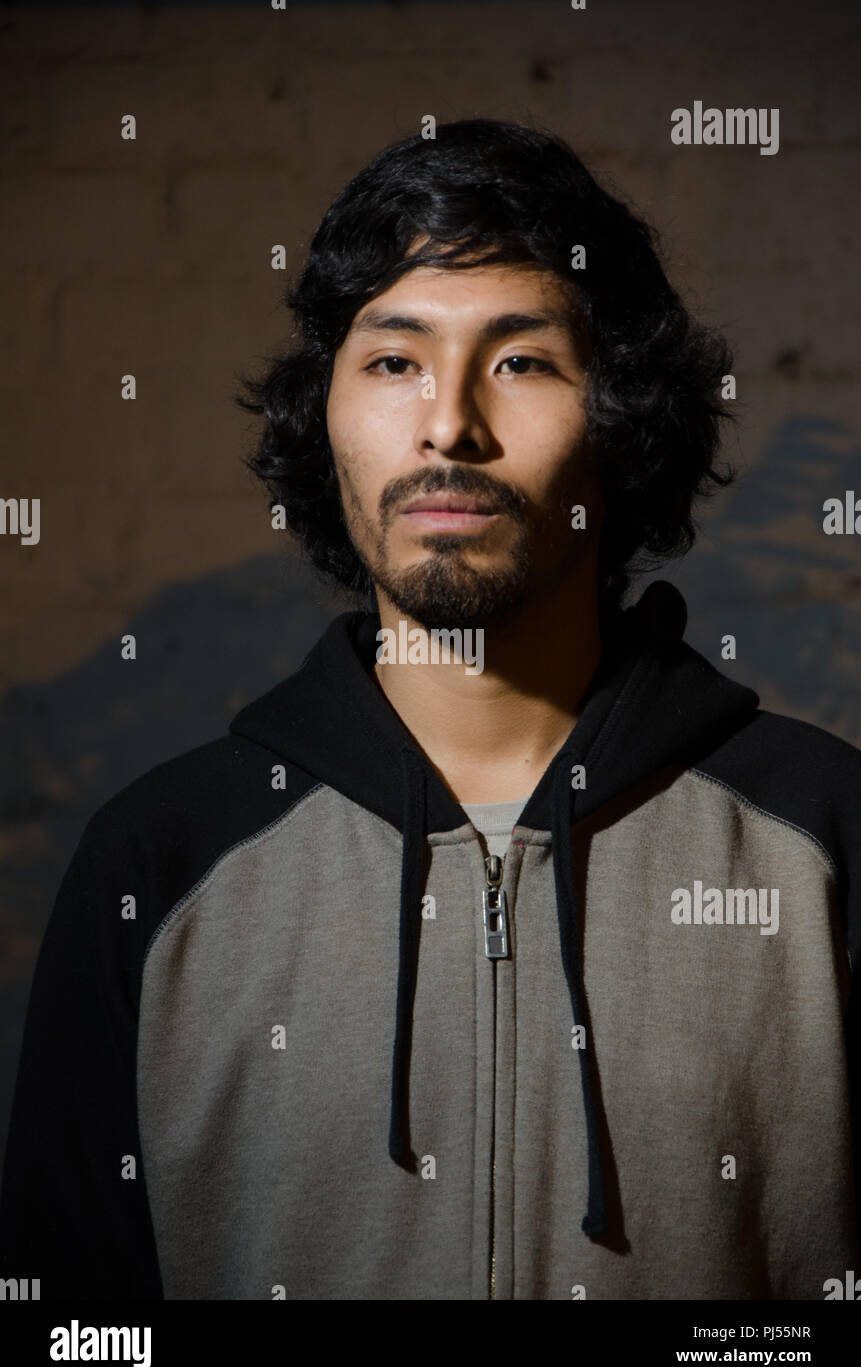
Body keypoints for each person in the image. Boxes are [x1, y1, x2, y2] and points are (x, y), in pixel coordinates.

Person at [1, 118, 858, 1301]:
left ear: (620, 423)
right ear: (327, 422)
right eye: (394, 360)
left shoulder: (825, 841)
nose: (449, 424)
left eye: (521, 361)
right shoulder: (157, 862)